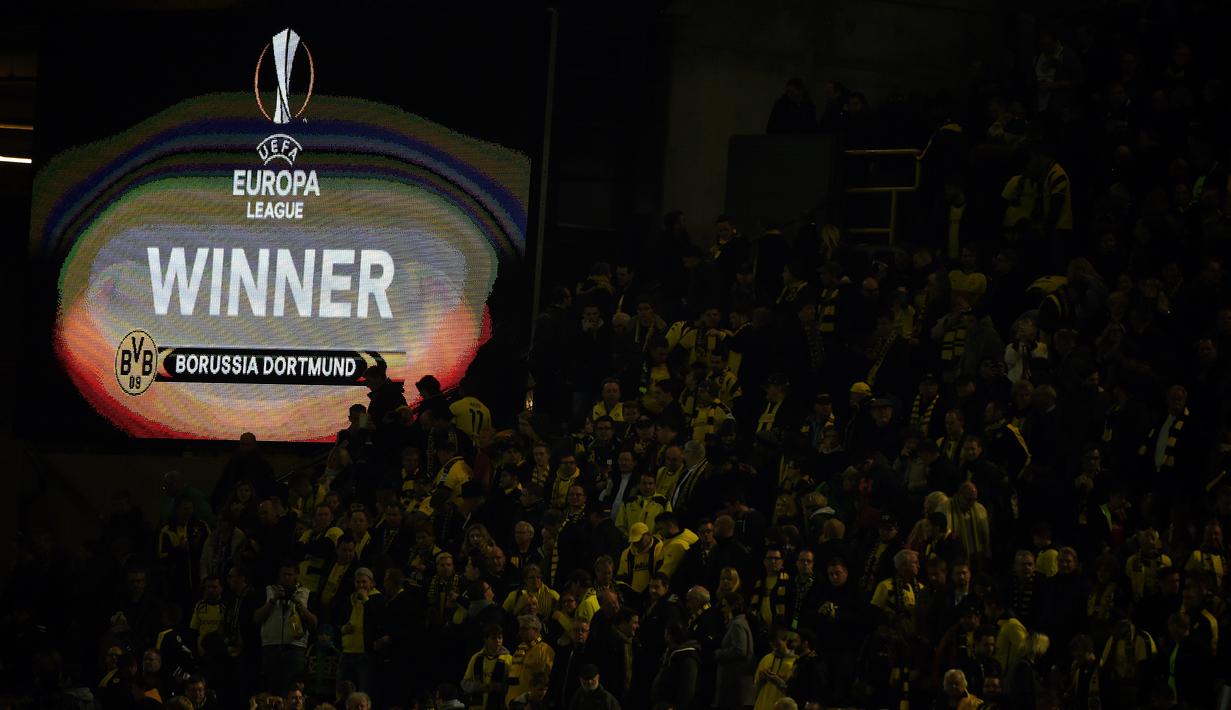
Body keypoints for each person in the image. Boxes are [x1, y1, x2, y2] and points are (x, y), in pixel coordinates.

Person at [255, 562, 316, 695]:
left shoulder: (305, 593)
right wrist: (273, 600)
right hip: (271, 647)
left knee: (293, 690)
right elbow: (256, 618)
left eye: (290, 574)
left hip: (296, 647)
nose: (287, 578)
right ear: (279, 575)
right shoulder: (268, 591)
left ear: (296, 575)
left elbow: (314, 623)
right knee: (272, 689)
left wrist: (300, 606)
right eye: (284, 574)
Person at [713, 593, 755, 710]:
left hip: (735, 683)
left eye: (725, 606)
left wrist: (718, 654)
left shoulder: (737, 624)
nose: (722, 609)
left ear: (733, 607)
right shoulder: (740, 623)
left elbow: (740, 650)